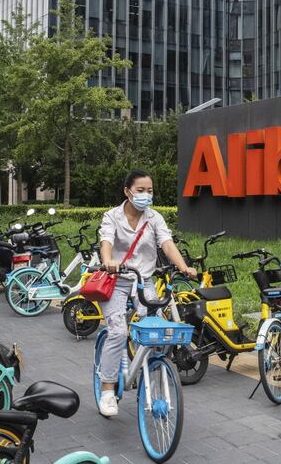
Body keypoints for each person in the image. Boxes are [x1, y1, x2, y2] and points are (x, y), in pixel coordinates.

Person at [96, 169, 197, 417]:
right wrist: (108, 260)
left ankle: (153, 376)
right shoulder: (112, 217)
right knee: (118, 331)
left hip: (144, 282)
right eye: (140, 190)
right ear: (127, 192)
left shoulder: (154, 218)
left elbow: (167, 243)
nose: (146, 195)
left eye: (149, 191)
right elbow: (106, 241)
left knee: (158, 333)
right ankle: (108, 389)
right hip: (116, 281)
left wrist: (183, 267)